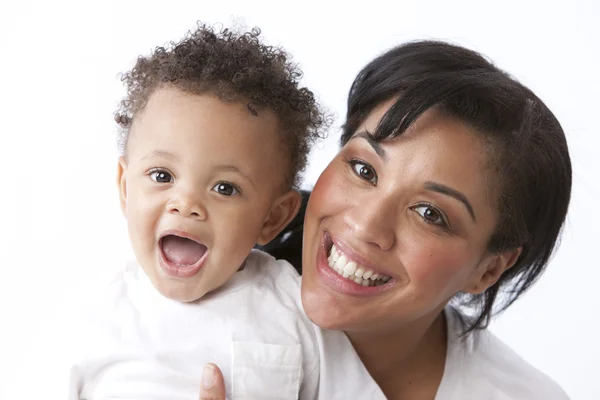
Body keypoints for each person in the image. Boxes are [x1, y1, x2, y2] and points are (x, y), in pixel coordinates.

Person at [203, 40, 572, 399]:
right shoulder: (181, 323)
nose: (366, 226)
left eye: (430, 214)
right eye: (364, 169)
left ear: (489, 269)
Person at [66, 23, 385, 399]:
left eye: (225, 188)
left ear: (273, 218)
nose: (185, 203)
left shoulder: (295, 310)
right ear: (125, 187)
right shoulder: (98, 319)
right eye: (162, 175)